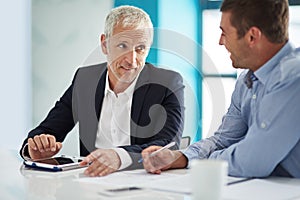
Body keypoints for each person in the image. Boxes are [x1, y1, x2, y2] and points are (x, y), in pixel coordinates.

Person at [141, 0, 300, 178]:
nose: (220, 41)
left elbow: (252, 162)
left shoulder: (293, 77)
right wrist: (180, 157)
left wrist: (201, 163)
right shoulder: (246, 80)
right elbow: (223, 140)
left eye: (224, 33)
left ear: (252, 37)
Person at [20, 5, 184, 177]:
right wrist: (36, 149)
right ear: (104, 44)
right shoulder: (85, 80)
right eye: (122, 45)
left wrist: (119, 157)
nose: (132, 60)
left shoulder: (167, 83)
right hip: (92, 182)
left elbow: (168, 146)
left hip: (143, 183)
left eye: (140, 48)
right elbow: (47, 129)